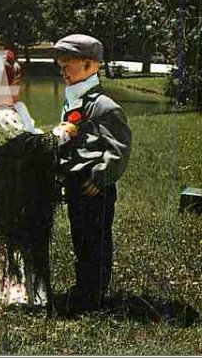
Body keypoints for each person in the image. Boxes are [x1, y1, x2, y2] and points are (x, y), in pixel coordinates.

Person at [0, 50, 78, 310]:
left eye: (19, 79)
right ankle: (15, 293)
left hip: (23, 186)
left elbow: (31, 134)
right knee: (15, 235)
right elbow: (29, 146)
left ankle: (29, 290)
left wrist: (45, 135)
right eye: (13, 80)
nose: (18, 84)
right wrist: (61, 134)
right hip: (13, 190)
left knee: (29, 237)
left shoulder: (16, 109)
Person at [51, 34, 132, 314]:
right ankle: (84, 287)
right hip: (75, 183)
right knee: (80, 236)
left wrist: (99, 177)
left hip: (94, 185)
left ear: (89, 66)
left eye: (68, 63)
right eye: (61, 64)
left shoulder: (103, 105)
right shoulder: (74, 101)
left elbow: (118, 149)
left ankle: (95, 294)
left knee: (96, 239)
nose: (63, 69)